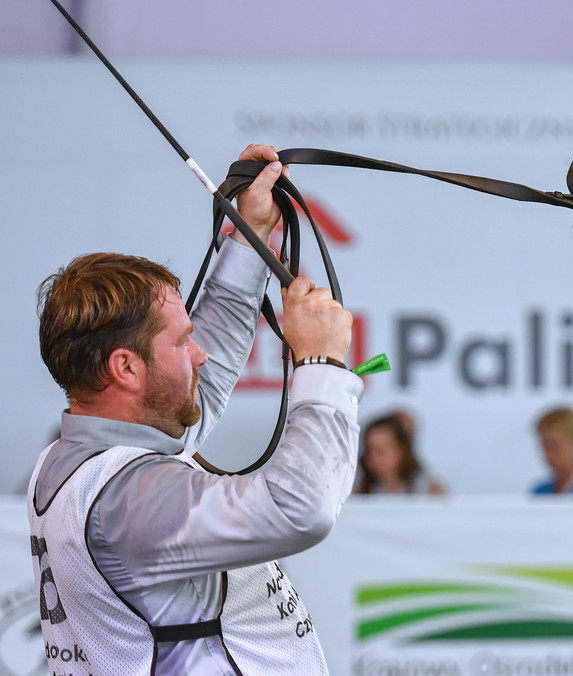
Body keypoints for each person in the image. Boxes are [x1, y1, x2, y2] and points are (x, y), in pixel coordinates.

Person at [28, 145, 361, 674]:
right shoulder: (128, 502)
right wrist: (320, 363)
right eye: (182, 342)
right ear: (126, 368)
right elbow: (302, 508)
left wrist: (250, 239)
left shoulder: (91, 457)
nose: (200, 352)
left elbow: (196, 388)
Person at [354, 410, 446, 495]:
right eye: (369, 451)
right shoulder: (357, 490)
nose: (373, 458)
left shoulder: (429, 491)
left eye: (380, 451)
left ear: (401, 451)